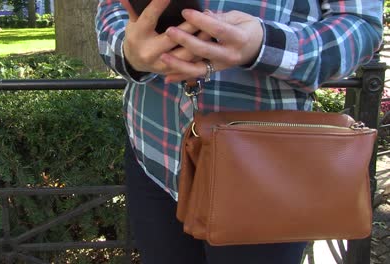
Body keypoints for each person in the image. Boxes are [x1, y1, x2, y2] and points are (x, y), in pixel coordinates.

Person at [95, 0, 383, 263]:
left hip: (269, 174)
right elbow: (113, 7)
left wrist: (263, 45)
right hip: (154, 155)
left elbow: (361, 27)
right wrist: (127, 49)